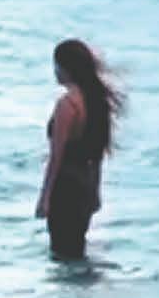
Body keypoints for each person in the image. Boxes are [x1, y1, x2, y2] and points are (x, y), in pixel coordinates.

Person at [36, 38, 123, 261]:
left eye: (56, 65)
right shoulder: (95, 102)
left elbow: (56, 156)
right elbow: (98, 153)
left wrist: (45, 197)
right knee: (77, 247)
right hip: (85, 183)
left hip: (66, 186)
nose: (55, 71)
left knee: (61, 251)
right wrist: (96, 190)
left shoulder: (67, 105)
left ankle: (71, 285)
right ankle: (85, 284)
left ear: (66, 68)